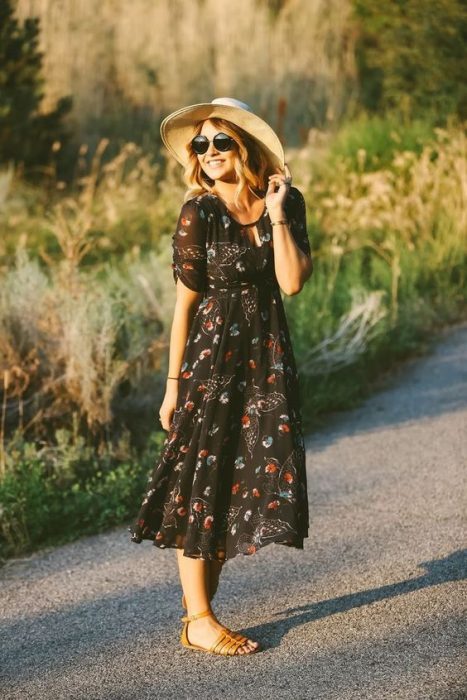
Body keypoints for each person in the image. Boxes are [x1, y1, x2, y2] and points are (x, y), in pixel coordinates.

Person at [128, 97, 313, 656]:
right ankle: (200, 618)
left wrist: (277, 215)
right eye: (200, 145)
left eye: (219, 142)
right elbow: (185, 305)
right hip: (210, 363)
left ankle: (199, 618)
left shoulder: (284, 202)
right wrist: (172, 385)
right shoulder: (198, 214)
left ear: (246, 147)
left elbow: (292, 281)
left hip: (264, 362)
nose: (207, 153)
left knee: (237, 481)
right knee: (199, 484)